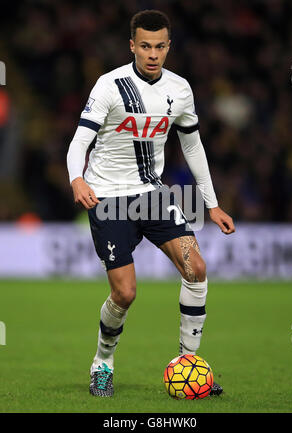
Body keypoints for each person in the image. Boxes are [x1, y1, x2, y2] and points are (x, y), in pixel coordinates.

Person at [67, 9, 235, 398]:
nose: (153, 53)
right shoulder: (110, 86)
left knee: (197, 268)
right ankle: (103, 362)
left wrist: (212, 204)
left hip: (153, 194)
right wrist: (77, 178)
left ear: (169, 46)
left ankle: (190, 367)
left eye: (160, 46)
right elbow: (79, 142)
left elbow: (192, 145)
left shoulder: (180, 89)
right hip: (108, 196)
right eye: (145, 45)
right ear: (132, 46)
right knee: (125, 293)